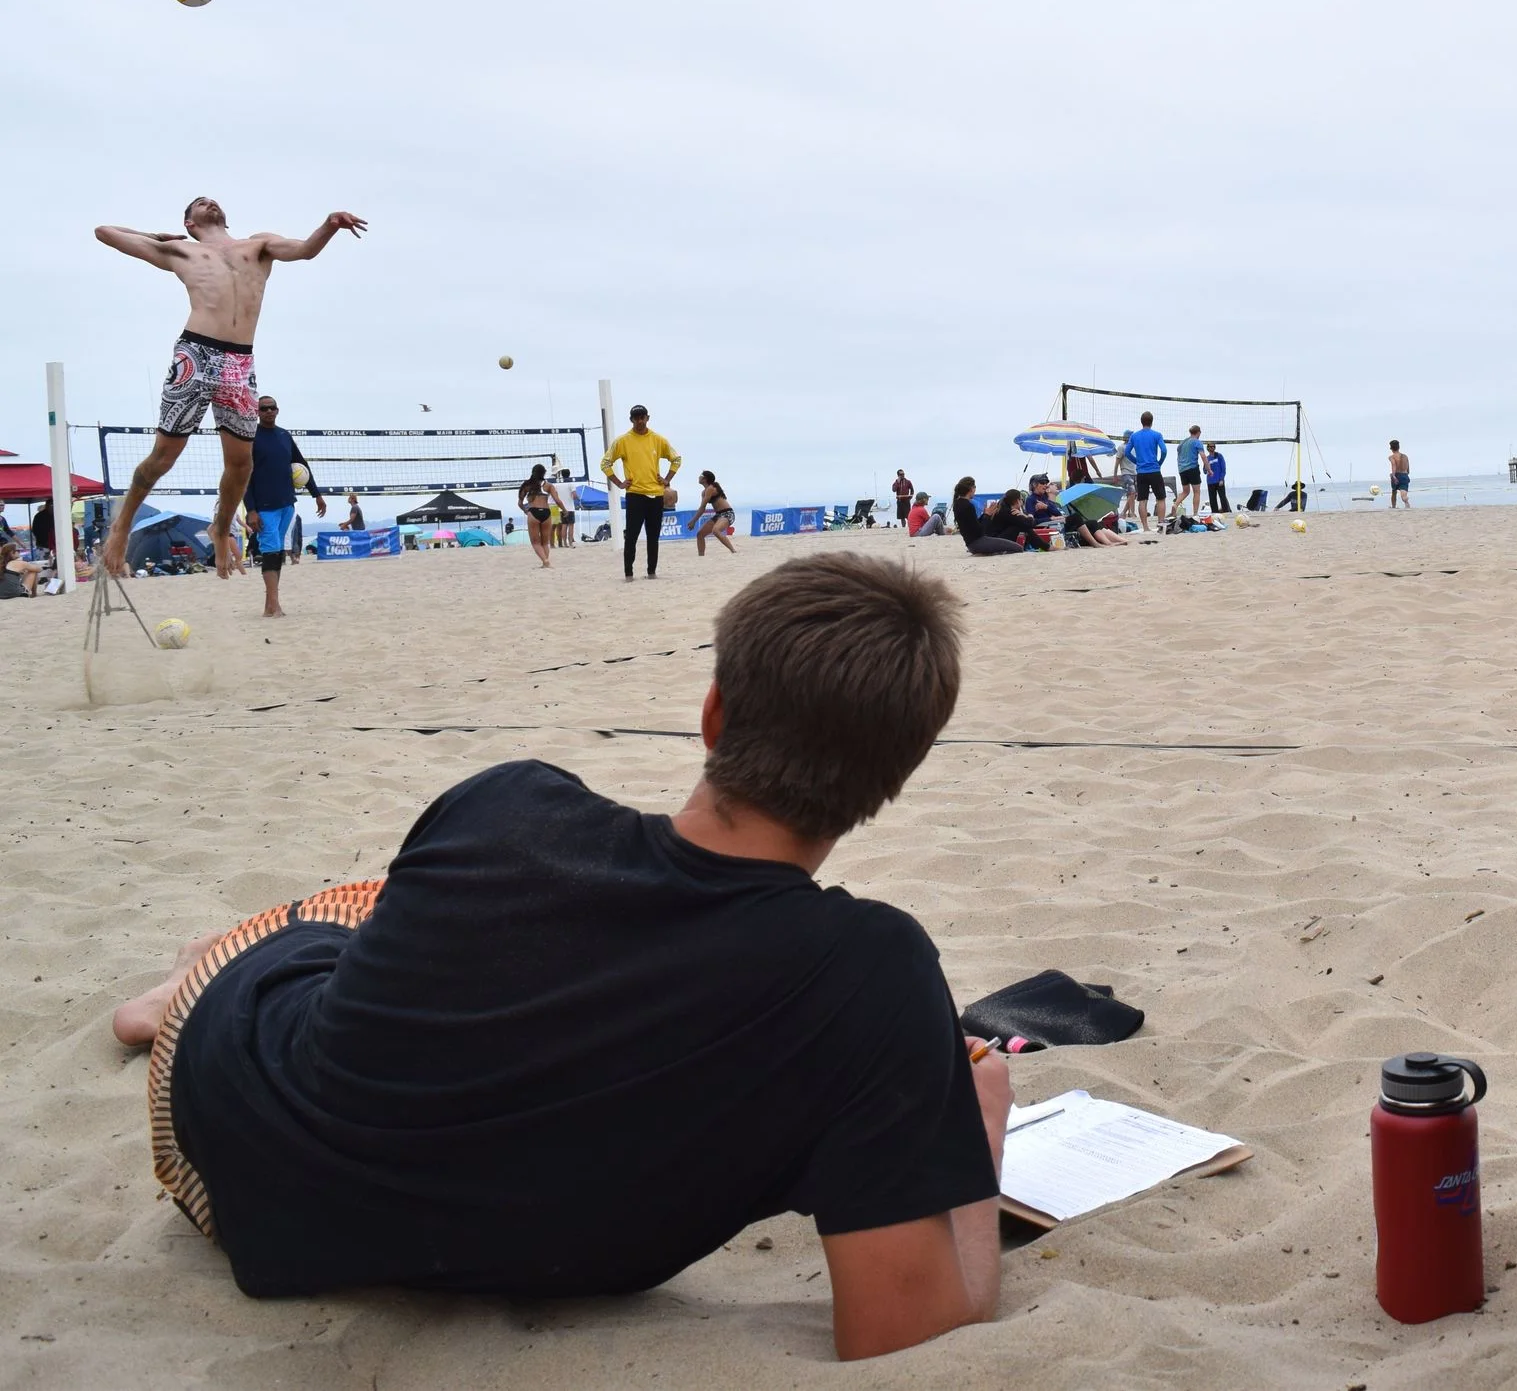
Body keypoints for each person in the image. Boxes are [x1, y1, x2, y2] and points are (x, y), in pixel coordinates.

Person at [110, 555, 1011, 1360]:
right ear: (897, 774)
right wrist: (975, 1135)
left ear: (714, 714)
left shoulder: (506, 806)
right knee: (351, 919)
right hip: (349, 1207)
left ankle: (210, 961)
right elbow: (908, 1337)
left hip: (226, 1141)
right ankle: (196, 970)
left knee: (365, 908)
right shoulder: (876, 975)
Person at [93, 197, 367, 578]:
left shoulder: (257, 245)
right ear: (189, 222)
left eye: (213, 199)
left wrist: (329, 225)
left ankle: (221, 528)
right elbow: (104, 232)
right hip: (196, 354)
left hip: (239, 362)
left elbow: (304, 251)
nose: (209, 201)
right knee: (164, 456)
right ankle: (121, 527)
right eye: (198, 203)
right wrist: (158, 236)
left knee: (241, 463)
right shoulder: (181, 251)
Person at [240, 396, 327, 619]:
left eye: (272, 408)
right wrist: (250, 509)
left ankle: (270, 605)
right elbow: (244, 477)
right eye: (264, 408)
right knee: (270, 553)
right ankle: (273, 606)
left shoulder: (284, 435)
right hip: (264, 507)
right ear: (257, 412)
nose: (269, 411)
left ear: (277, 410)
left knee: (276, 553)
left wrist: (316, 495)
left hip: (287, 504)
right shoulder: (251, 438)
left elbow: (302, 466)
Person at [600, 404, 681, 581]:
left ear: (647, 418)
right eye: (636, 418)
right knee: (632, 536)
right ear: (631, 420)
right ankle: (629, 574)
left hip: (656, 494)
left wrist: (667, 479)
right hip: (635, 494)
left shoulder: (658, 440)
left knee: (653, 537)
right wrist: (619, 483)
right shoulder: (623, 441)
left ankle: (651, 572)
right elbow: (605, 463)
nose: (639, 421)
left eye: (642, 417)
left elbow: (676, 459)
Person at [950, 478, 1024, 557]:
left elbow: (972, 525)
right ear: (971, 489)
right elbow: (980, 531)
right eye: (974, 487)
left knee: (1007, 545)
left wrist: (984, 514)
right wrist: (987, 515)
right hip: (977, 543)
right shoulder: (968, 506)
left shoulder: (957, 504)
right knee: (1018, 548)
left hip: (971, 544)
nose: (975, 490)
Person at [1129, 412, 1169, 527]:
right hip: (1154, 470)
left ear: (1141, 422)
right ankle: (1161, 524)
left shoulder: (1134, 436)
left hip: (1141, 472)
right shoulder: (1157, 435)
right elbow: (1164, 451)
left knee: (1142, 500)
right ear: (1152, 421)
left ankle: (1146, 528)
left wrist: (1137, 461)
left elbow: (1127, 452)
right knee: (1161, 498)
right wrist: (1159, 462)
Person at [518, 465, 558, 569]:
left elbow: (520, 503)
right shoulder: (549, 485)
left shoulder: (527, 485)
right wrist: (565, 510)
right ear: (544, 473)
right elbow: (557, 500)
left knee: (535, 542)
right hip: (546, 512)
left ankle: (545, 561)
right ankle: (546, 562)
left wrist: (526, 511)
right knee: (545, 542)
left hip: (534, 512)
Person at [693, 470, 738, 556]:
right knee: (700, 534)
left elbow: (702, 507)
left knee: (716, 530)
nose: (698, 477)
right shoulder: (704, 492)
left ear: (705, 479)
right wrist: (693, 521)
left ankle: (733, 551)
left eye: (700, 475)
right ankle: (701, 557)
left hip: (727, 514)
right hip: (718, 515)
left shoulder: (710, 488)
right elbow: (702, 509)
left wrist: (693, 521)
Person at [1175, 426, 1206, 519]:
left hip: (1182, 469)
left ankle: (1175, 505)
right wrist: (1209, 469)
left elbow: (1178, 453)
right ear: (1198, 432)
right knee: (1196, 492)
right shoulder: (1197, 442)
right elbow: (1203, 456)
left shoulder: (1182, 442)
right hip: (1192, 468)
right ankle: (1195, 513)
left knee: (1185, 491)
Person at [1203, 443, 1230, 514]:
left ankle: (1226, 512)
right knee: (1212, 499)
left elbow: (1223, 469)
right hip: (1210, 482)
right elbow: (1204, 471)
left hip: (1219, 481)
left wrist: (1221, 479)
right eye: (1210, 447)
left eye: (1213, 446)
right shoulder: (1207, 458)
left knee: (1222, 497)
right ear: (1208, 448)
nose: (1212, 448)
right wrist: (1206, 467)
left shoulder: (1219, 456)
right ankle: (1215, 513)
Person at [1387, 441, 1412, 509]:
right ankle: (1406, 501)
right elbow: (1408, 470)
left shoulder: (1391, 457)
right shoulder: (1405, 456)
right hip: (1405, 475)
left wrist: (1393, 475)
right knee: (1403, 496)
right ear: (1399, 447)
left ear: (1391, 448)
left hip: (1397, 475)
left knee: (1394, 492)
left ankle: (1393, 506)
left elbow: (1393, 465)